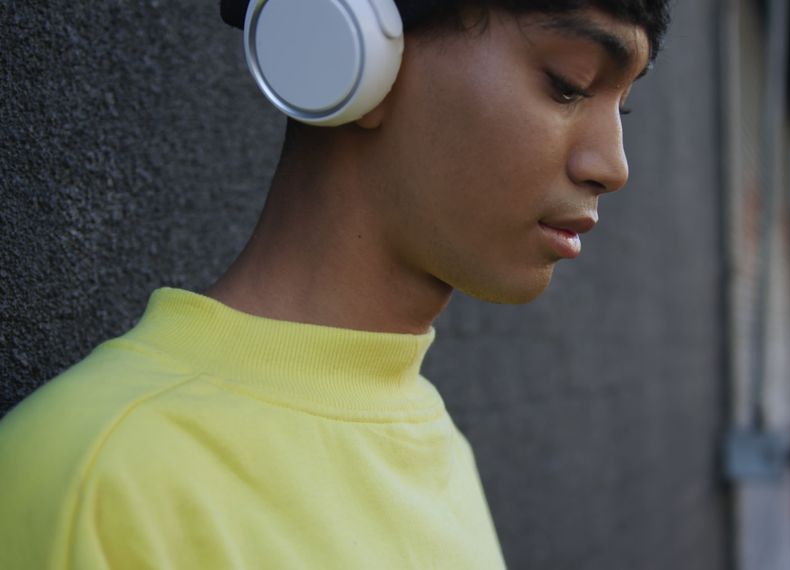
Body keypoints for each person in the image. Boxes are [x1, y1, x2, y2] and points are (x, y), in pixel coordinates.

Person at [0, 0, 670, 567]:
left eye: (623, 109)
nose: (612, 164)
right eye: (568, 84)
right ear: (347, 45)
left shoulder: (431, 436)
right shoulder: (95, 476)